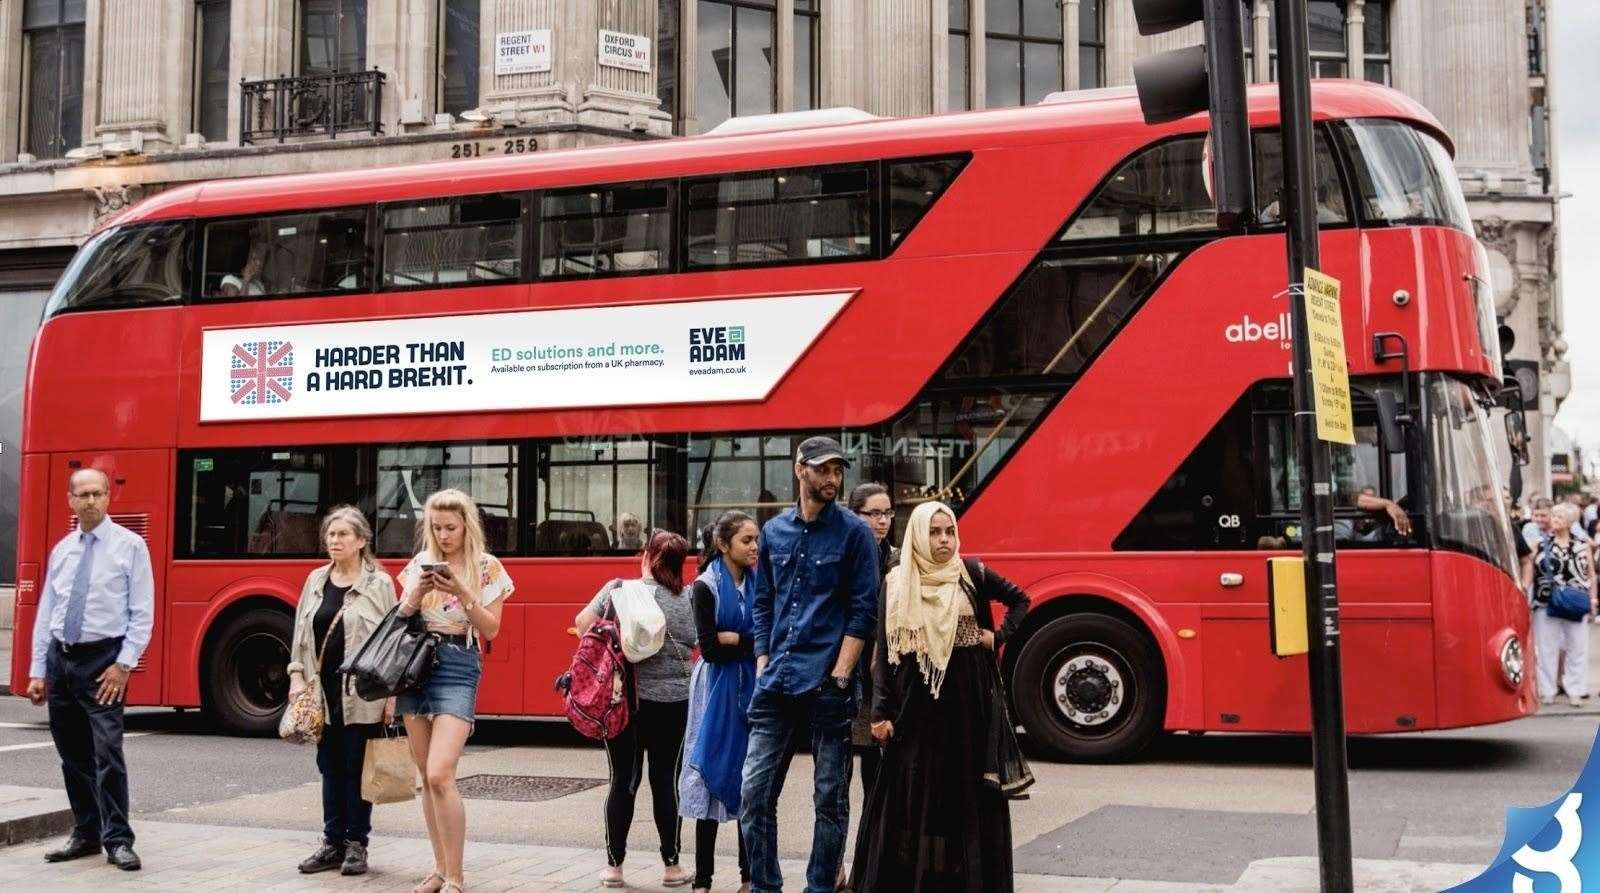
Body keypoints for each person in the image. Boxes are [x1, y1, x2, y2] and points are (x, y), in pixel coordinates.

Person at [850, 501, 1031, 892]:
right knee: (915, 798)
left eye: (949, 531)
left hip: (969, 709)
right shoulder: (897, 582)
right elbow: (884, 653)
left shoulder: (971, 573)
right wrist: (880, 712)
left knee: (963, 797)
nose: (944, 540)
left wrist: (995, 637)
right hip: (915, 708)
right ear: (917, 533)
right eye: (934, 532)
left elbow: (1021, 600)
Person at [740, 436, 879, 893]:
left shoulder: (855, 534)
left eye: (838, 470)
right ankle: (765, 887)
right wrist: (762, 660)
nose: (833, 479)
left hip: (828, 684)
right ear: (800, 470)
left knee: (830, 799)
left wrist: (841, 674)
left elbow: (864, 612)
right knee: (754, 794)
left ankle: (820, 888)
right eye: (823, 470)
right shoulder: (774, 531)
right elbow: (763, 604)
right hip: (776, 680)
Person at [26, 468, 153, 873]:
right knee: (71, 755)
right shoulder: (62, 550)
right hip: (61, 661)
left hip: (103, 662)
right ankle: (85, 832)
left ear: (108, 498)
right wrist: (37, 670)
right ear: (71, 500)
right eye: (83, 494)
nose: (91, 501)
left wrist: (123, 664)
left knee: (107, 752)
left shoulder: (130, 546)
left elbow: (142, 612)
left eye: (97, 493)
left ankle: (118, 839)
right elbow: (48, 611)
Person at [396, 489, 515, 893]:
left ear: (467, 525)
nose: (443, 535)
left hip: (457, 664)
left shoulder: (487, 568)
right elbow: (399, 619)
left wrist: (462, 591)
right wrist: (416, 591)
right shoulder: (420, 564)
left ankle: (457, 876)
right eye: (436, 527)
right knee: (425, 779)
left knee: (440, 772)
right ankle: (440, 869)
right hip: (414, 667)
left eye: (450, 527)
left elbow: (491, 629)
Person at [577, 531, 697, 888]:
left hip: (624, 702)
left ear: (647, 557)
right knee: (666, 783)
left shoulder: (618, 588)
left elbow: (583, 623)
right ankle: (672, 867)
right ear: (680, 563)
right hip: (674, 703)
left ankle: (614, 867)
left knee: (623, 781)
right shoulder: (689, 598)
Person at [286, 506, 398, 876]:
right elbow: (301, 633)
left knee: (356, 767)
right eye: (331, 535)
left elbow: (392, 641)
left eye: (343, 535)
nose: (334, 541)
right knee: (329, 766)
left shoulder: (378, 584)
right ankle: (331, 843)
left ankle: (356, 844)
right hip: (322, 692)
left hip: (363, 693)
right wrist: (296, 676)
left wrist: (391, 696)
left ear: (362, 541)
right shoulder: (316, 579)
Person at [678, 511, 760, 893]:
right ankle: (704, 880)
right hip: (714, 691)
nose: (755, 547)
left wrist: (736, 639)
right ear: (724, 545)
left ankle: (748, 878)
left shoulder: (761, 582)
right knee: (710, 774)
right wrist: (742, 641)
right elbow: (709, 648)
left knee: (749, 779)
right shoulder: (705, 587)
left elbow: (769, 637)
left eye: (756, 539)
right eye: (747, 541)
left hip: (752, 688)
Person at [845, 485, 897, 810]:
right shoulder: (843, 558)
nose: (883, 521)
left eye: (887, 513)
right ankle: (836, 859)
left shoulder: (896, 559)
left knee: (877, 773)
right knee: (838, 776)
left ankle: (869, 854)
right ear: (855, 515)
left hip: (882, 675)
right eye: (874, 514)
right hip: (848, 672)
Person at [1529, 503, 1598, 707]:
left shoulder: (1582, 544)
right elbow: (1529, 570)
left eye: (1559, 517)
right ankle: (1547, 690)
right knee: (1546, 647)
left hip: (1576, 601)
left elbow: (1591, 575)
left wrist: (1593, 599)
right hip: (1545, 602)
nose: (1554, 519)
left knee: (1578, 647)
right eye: (1554, 516)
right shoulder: (1539, 544)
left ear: (1569, 522)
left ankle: (1575, 690)